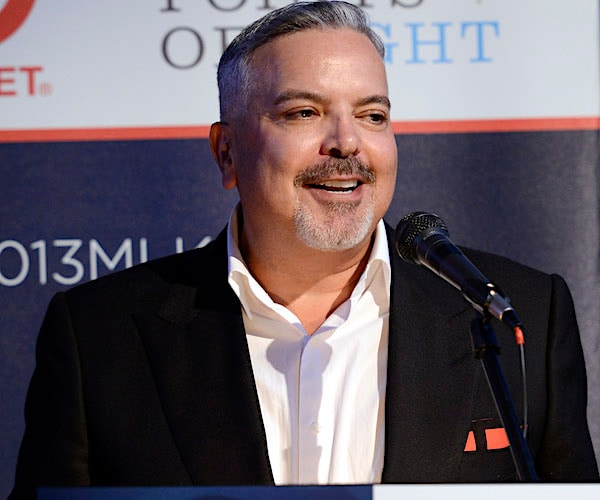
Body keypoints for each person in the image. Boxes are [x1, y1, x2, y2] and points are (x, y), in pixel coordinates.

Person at [9, 1, 598, 497]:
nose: (346, 143)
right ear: (227, 153)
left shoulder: (515, 314)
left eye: (372, 115)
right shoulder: (100, 336)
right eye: (304, 112)